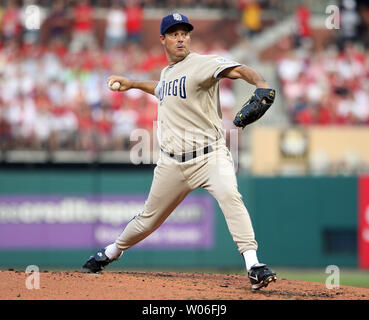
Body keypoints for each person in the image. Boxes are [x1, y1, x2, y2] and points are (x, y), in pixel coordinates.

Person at [82, 13, 277, 291]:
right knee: (148, 220)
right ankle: (111, 251)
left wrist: (261, 84)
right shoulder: (167, 73)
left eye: (184, 32)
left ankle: (253, 265)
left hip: (210, 156)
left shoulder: (203, 63)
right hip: (172, 163)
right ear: (163, 39)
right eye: (174, 33)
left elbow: (238, 69)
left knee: (230, 196)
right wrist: (134, 84)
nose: (181, 37)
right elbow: (163, 89)